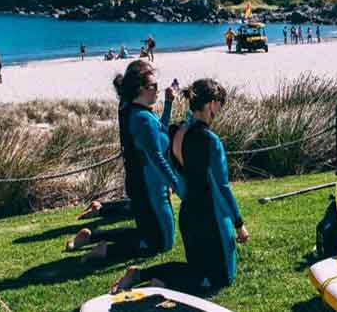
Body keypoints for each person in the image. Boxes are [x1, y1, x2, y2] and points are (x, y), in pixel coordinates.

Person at [111, 79, 248, 294]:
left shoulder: (177, 132)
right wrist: (239, 224)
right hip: (210, 219)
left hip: (188, 214)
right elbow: (222, 187)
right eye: (220, 105)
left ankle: (140, 275)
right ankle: (159, 283)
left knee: (197, 269)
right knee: (221, 280)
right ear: (212, 104)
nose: (220, 111)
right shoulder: (210, 140)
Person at [66, 60, 183, 262]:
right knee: (162, 244)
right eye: (153, 86)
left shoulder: (143, 111)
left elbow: (161, 133)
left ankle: (94, 236)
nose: (158, 89)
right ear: (140, 90)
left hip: (150, 186)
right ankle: (106, 250)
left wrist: (169, 103)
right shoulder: (142, 118)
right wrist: (178, 187)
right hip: (149, 189)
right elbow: (156, 158)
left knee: (154, 236)